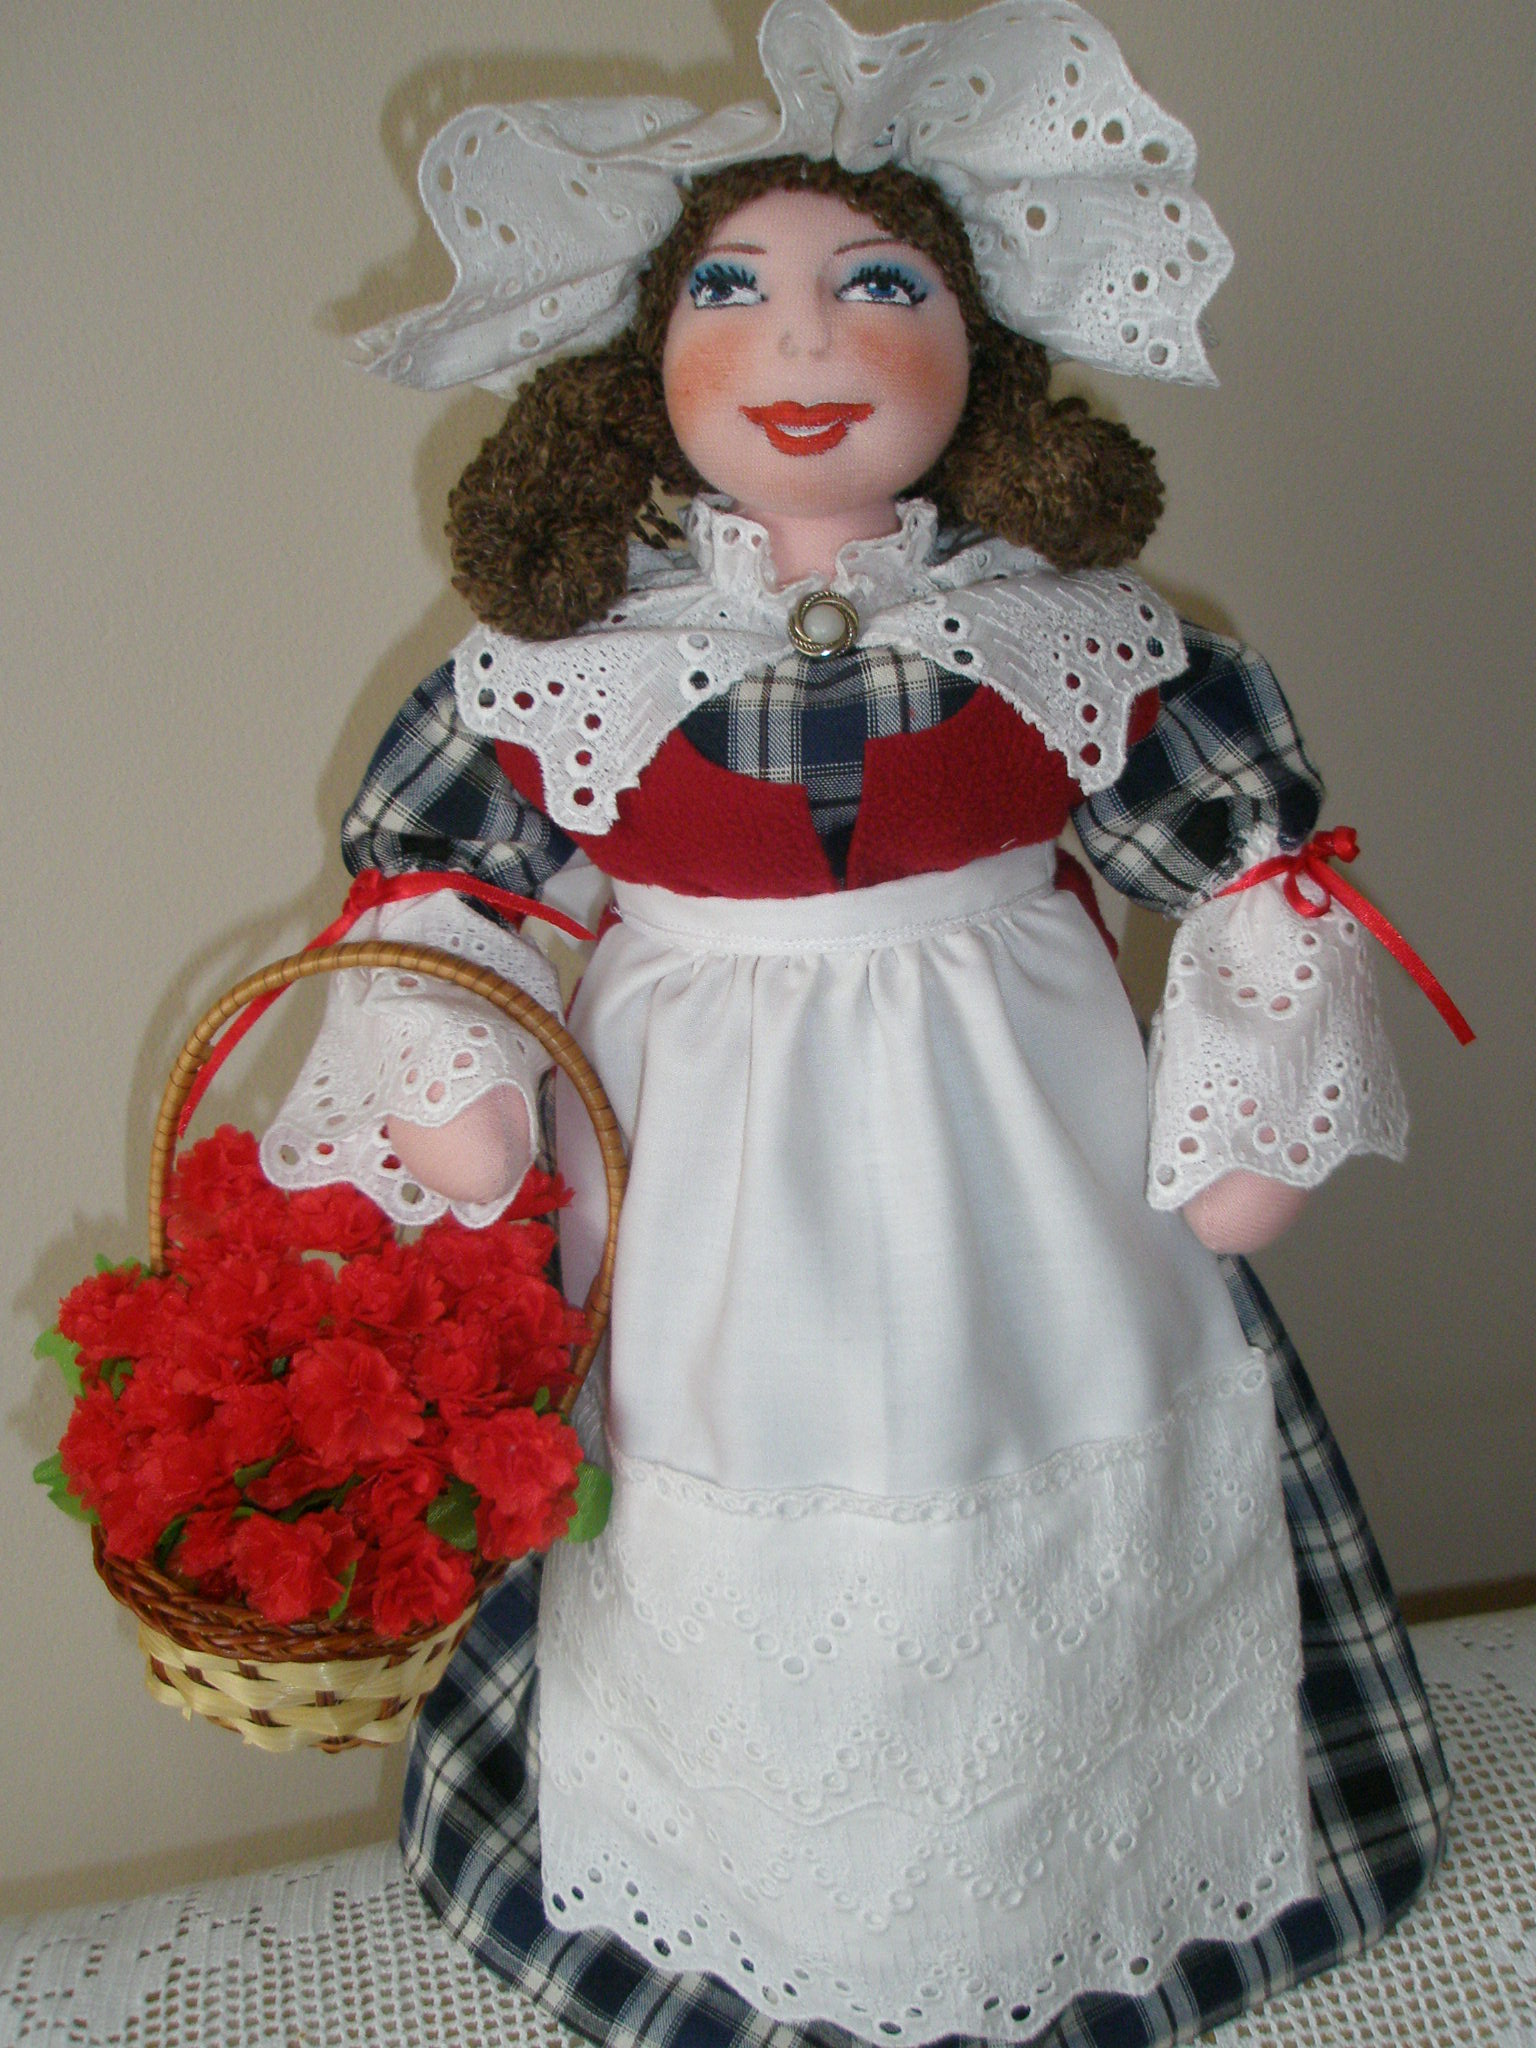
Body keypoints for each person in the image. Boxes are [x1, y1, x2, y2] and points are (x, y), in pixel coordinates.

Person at [263, 5, 1447, 2041]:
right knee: (695, 1485)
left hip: (1026, 1159)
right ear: (643, 362)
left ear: (979, 349)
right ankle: (732, 1903)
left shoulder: (1062, 632)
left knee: (1066, 1448)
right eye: (732, 290)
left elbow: (1249, 855)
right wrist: (462, 1081)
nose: (804, 341)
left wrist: (1258, 1101)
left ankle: (1093, 1884)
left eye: (878, 286)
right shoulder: (575, 661)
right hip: (689, 1173)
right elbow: (448, 887)